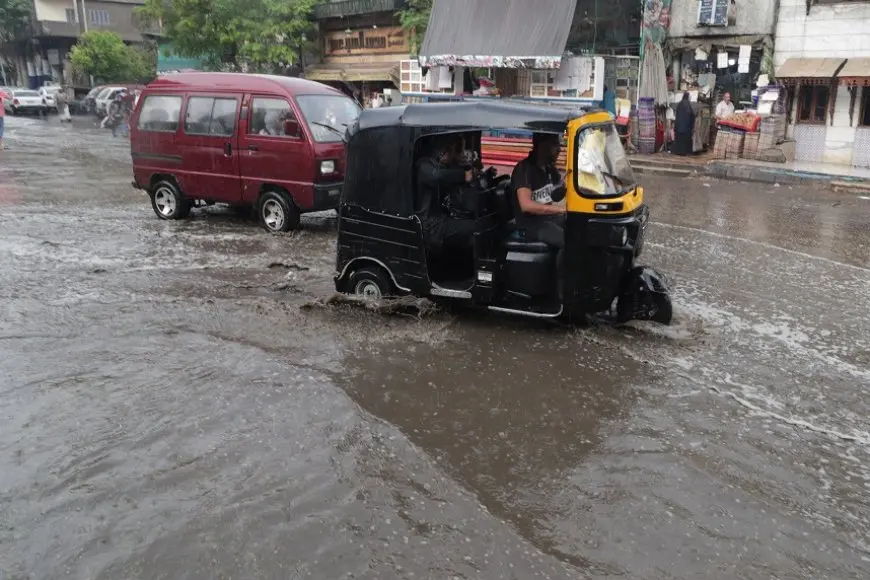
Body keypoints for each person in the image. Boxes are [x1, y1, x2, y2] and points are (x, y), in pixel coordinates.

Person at [415, 134, 477, 252]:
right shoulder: (424, 165)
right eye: (455, 152)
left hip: (441, 218)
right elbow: (437, 176)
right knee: (474, 228)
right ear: (446, 150)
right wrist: (463, 176)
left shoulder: (440, 165)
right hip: (431, 225)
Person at [672, 92, 695, 156]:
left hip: (679, 126)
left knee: (679, 140)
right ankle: (685, 152)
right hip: (686, 127)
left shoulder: (680, 104)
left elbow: (677, 115)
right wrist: (692, 125)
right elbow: (692, 115)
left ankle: (679, 152)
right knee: (685, 140)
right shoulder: (688, 104)